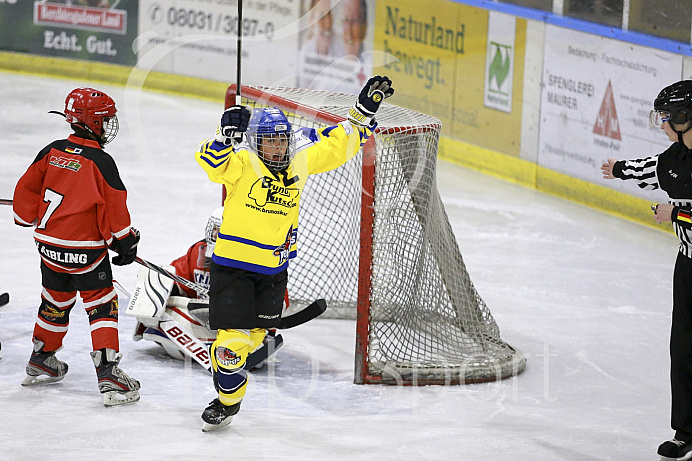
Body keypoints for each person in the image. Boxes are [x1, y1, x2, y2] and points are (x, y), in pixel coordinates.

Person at [194, 75, 394, 431]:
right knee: (230, 347)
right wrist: (226, 135)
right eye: (269, 140)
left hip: (273, 271)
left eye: (281, 139)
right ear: (256, 141)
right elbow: (211, 163)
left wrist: (362, 112)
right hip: (233, 269)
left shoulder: (299, 157)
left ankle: (238, 368)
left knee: (253, 339)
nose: (277, 147)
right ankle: (228, 399)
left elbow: (337, 145)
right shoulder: (241, 160)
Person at [13, 87, 141, 407]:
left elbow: (24, 198)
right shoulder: (101, 161)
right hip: (85, 253)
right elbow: (115, 211)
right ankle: (109, 374)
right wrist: (125, 243)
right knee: (101, 304)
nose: (109, 124)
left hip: (49, 249)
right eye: (105, 119)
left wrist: (26, 215)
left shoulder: (51, 151)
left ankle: (42, 357)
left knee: (54, 300)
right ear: (93, 122)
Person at [601, 79, 692, 460]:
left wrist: (678, 212)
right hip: (688, 267)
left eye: (667, 116)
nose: (662, 123)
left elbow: (679, 209)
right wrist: (618, 168)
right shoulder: (675, 158)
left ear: (686, 117)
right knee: (684, 349)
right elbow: (651, 167)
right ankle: (686, 430)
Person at [297, 0, 344, 90]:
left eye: (329, 14)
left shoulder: (342, 44)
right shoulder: (307, 50)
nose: (328, 23)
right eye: (322, 17)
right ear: (311, 20)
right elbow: (304, 90)